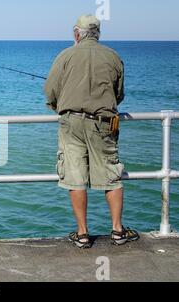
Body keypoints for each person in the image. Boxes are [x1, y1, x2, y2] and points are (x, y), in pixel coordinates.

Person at [44, 15, 139, 249]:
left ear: (77, 34)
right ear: (97, 33)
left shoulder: (65, 55)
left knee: (75, 176)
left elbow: (50, 91)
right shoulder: (113, 56)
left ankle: (83, 234)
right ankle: (118, 231)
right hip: (104, 122)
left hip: (72, 122)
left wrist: (59, 106)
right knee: (110, 175)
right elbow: (119, 94)